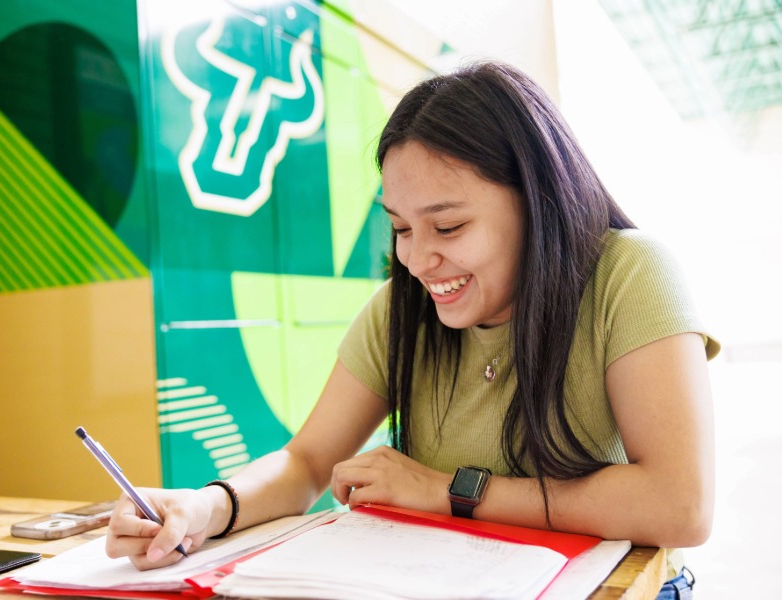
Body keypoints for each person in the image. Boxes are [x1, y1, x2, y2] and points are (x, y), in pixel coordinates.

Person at [106, 62, 718, 599]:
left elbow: (679, 505)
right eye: (400, 229)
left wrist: (451, 491)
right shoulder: (402, 308)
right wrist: (207, 507)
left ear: (538, 202)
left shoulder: (630, 274)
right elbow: (306, 461)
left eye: (447, 228)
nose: (418, 261)